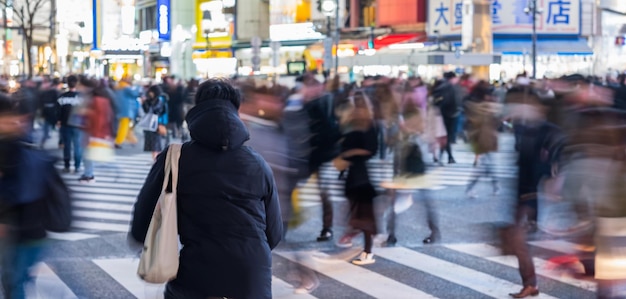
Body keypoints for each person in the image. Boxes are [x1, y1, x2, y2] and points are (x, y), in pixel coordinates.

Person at [130, 79, 283, 299]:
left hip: (197, 273)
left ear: (197, 109)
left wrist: (145, 240)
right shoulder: (257, 164)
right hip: (252, 277)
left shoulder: (176, 158)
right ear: (236, 111)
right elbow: (274, 233)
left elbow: (143, 217)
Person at [0, 93, 49, 299]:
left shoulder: (9, 148)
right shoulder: (23, 142)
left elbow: (12, 191)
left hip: (18, 228)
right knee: (16, 280)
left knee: (14, 282)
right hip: (31, 227)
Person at [333, 91, 379, 265]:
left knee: (364, 215)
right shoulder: (352, 123)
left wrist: (349, 154)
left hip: (360, 176)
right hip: (353, 174)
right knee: (358, 213)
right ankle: (355, 236)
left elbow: (371, 150)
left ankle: (367, 251)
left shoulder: (367, 126)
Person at [57, 75, 84, 173]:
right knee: (77, 146)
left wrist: (59, 120)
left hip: (65, 124)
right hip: (78, 125)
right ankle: (77, 166)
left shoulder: (62, 97)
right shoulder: (81, 97)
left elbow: (58, 111)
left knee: (67, 146)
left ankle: (67, 165)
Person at [142, 85, 168, 161]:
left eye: (151, 91)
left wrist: (145, 102)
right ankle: (155, 159)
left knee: (156, 143)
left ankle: (156, 159)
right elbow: (146, 110)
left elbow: (155, 110)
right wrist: (144, 103)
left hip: (157, 123)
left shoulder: (159, 100)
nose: (150, 93)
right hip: (151, 123)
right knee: (153, 142)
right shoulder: (150, 100)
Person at [114, 77, 140, 148]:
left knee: (125, 126)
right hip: (126, 110)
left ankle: (132, 140)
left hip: (119, 109)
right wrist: (137, 87)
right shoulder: (126, 88)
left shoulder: (117, 87)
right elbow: (135, 93)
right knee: (124, 126)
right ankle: (118, 141)